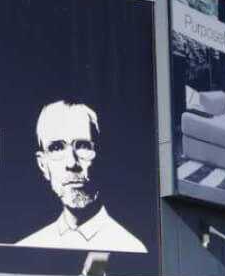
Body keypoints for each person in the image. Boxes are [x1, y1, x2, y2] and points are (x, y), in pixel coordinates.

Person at [16, 101, 146, 253]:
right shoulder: (26, 248)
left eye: (83, 146)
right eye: (56, 148)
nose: (72, 163)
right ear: (43, 165)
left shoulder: (131, 248)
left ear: (103, 156)